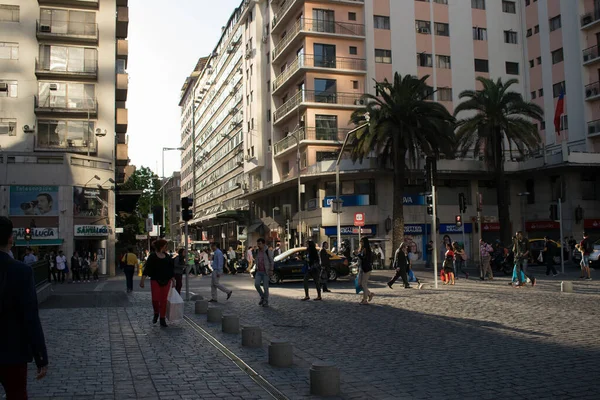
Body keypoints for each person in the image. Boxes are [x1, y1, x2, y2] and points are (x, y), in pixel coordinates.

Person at [0, 216, 48, 396]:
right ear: (10, 239)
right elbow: (30, 317)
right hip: (13, 351)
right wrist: (40, 356)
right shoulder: (21, 271)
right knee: (17, 394)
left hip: (13, 351)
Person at [140, 239, 175, 327]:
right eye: (165, 246)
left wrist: (173, 280)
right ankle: (156, 313)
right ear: (162, 246)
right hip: (155, 280)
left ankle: (162, 319)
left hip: (166, 281)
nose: (166, 247)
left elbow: (170, 270)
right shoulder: (152, 256)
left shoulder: (167, 257)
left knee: (163, 301)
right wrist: (142, 280)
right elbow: (147, 269)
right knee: (155, 299)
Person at [254, 238, 274, 307]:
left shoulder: (267, 251)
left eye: (259, 244)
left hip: (266, 272)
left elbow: (271, 261)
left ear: (263, 244)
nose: (258, 245)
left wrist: (271, 270)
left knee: (265, 287)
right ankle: (262, 296)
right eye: (257, 244)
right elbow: (256, 260)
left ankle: (266, 300)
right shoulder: (257, 251)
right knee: (256, 284)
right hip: (259, 271)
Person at [356, 237, 374, 304]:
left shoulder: (367, 250)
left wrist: (358, 255)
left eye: (362, 241)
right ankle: (369, 294)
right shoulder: (362, 249)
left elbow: (365, 259)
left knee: (364, 283)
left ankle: (364, 299)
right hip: (361, 268)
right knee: (360, 283)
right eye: (360, 241)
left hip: (366, 269)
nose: (361, 243)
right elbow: (360, 259)